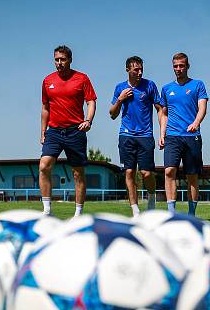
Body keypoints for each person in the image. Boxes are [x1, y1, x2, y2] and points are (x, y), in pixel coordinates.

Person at [39, 45, 97, 217]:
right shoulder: (47, 80)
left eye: (63, 59)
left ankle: (78, 214)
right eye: (56, 59)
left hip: (75, 131)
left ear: (70, 60)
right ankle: (47, 211)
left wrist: (88, 120)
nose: (59, 63)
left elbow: (91, 101)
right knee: (44, 166)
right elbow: (45, 108)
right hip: (54, 131)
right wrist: (43, 132)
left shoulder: (82, 78)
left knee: (77, 173)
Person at [109, 56, 164, 218]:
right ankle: (135, 211)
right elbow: (112, 114)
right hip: (126, 135)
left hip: (146, 135)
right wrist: (120, 99)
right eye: (136, 69)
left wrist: (162, 131)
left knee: (146, 173)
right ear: (128, 70)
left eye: (141, 69)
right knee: (129, 173)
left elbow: (160, 109)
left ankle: (152, 200)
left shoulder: (150, 85)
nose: (140, 72)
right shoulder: (120, 88)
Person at [160, 52, 208, 216]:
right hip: (172, 136)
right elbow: (164, 114)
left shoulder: (198, 85)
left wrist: (196, 123)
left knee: (192, 176)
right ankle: (171, 214)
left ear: (187, 66)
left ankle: (191, 214)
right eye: (175, 66)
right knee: (169, 171)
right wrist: (161, 134)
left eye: (181, 65)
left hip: (191, 136)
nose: (178, 69)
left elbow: (202, 108)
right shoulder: (166, 89)